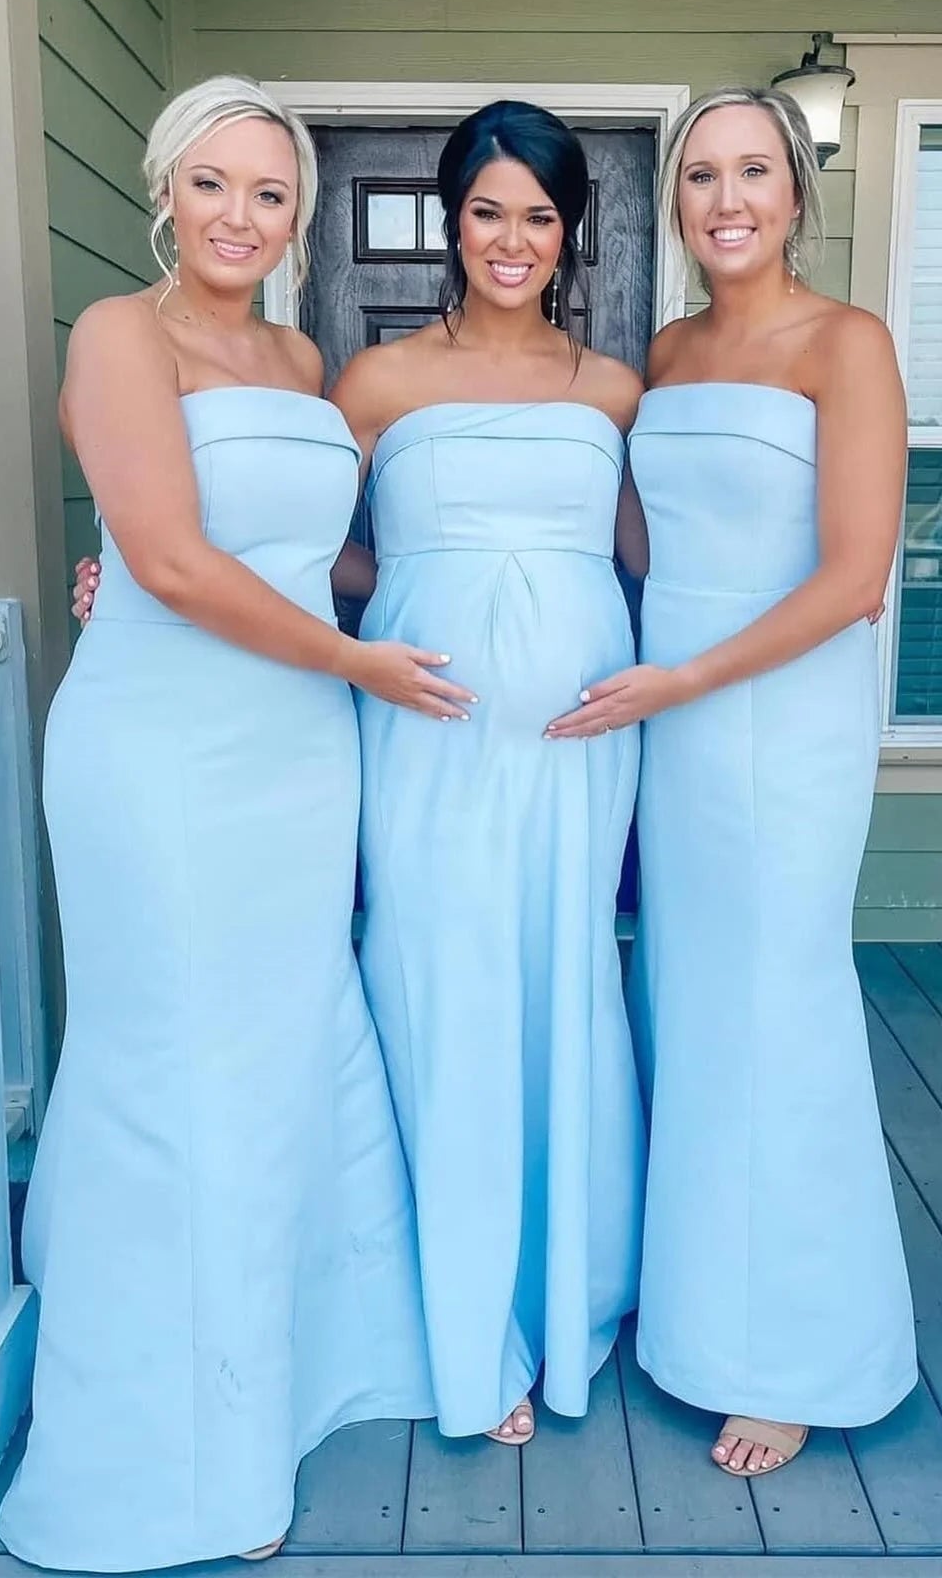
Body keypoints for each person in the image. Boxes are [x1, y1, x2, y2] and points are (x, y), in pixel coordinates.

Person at [0, 76, 449, 1572]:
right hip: (163, 748)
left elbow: (304, 559)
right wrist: (358, 664)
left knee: (283, 1053)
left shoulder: (301, 355)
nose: (239, 217)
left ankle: (289, 1387)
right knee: (171, 1065)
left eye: (269, 192)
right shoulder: (118, 334)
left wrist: (469, 575)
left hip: (297, 755)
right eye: (213, 185)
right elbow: (178, 562)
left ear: (298, 214)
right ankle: (176, 1460)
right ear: (164, 192)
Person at [548, 85, 917, 1476]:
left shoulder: (846, 343)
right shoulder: (671, 351)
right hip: (676, 715)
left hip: (781, 710)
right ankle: (699, 1307)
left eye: (754, 170)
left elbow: (854, 577)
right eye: (701, 175)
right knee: (692, 1008)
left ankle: (795, 1355)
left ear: (796, 193)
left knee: (780, 1010)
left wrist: (687, 677)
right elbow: (644, 538)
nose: (727, 199)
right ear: (677, 201)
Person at [333, 100, 647, 1446]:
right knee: (439, 986)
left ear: (569, 230)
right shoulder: (375, 383)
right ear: (450, 223)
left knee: (562, 985)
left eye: (538, 215)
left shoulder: (615, 393)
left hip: (580, 742)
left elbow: (666, 556)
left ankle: (563, 1296)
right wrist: (405, 597)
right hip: (428, 734)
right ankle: (461, 1318)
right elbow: (297, 542)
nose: (511, 239)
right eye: (486, 212)